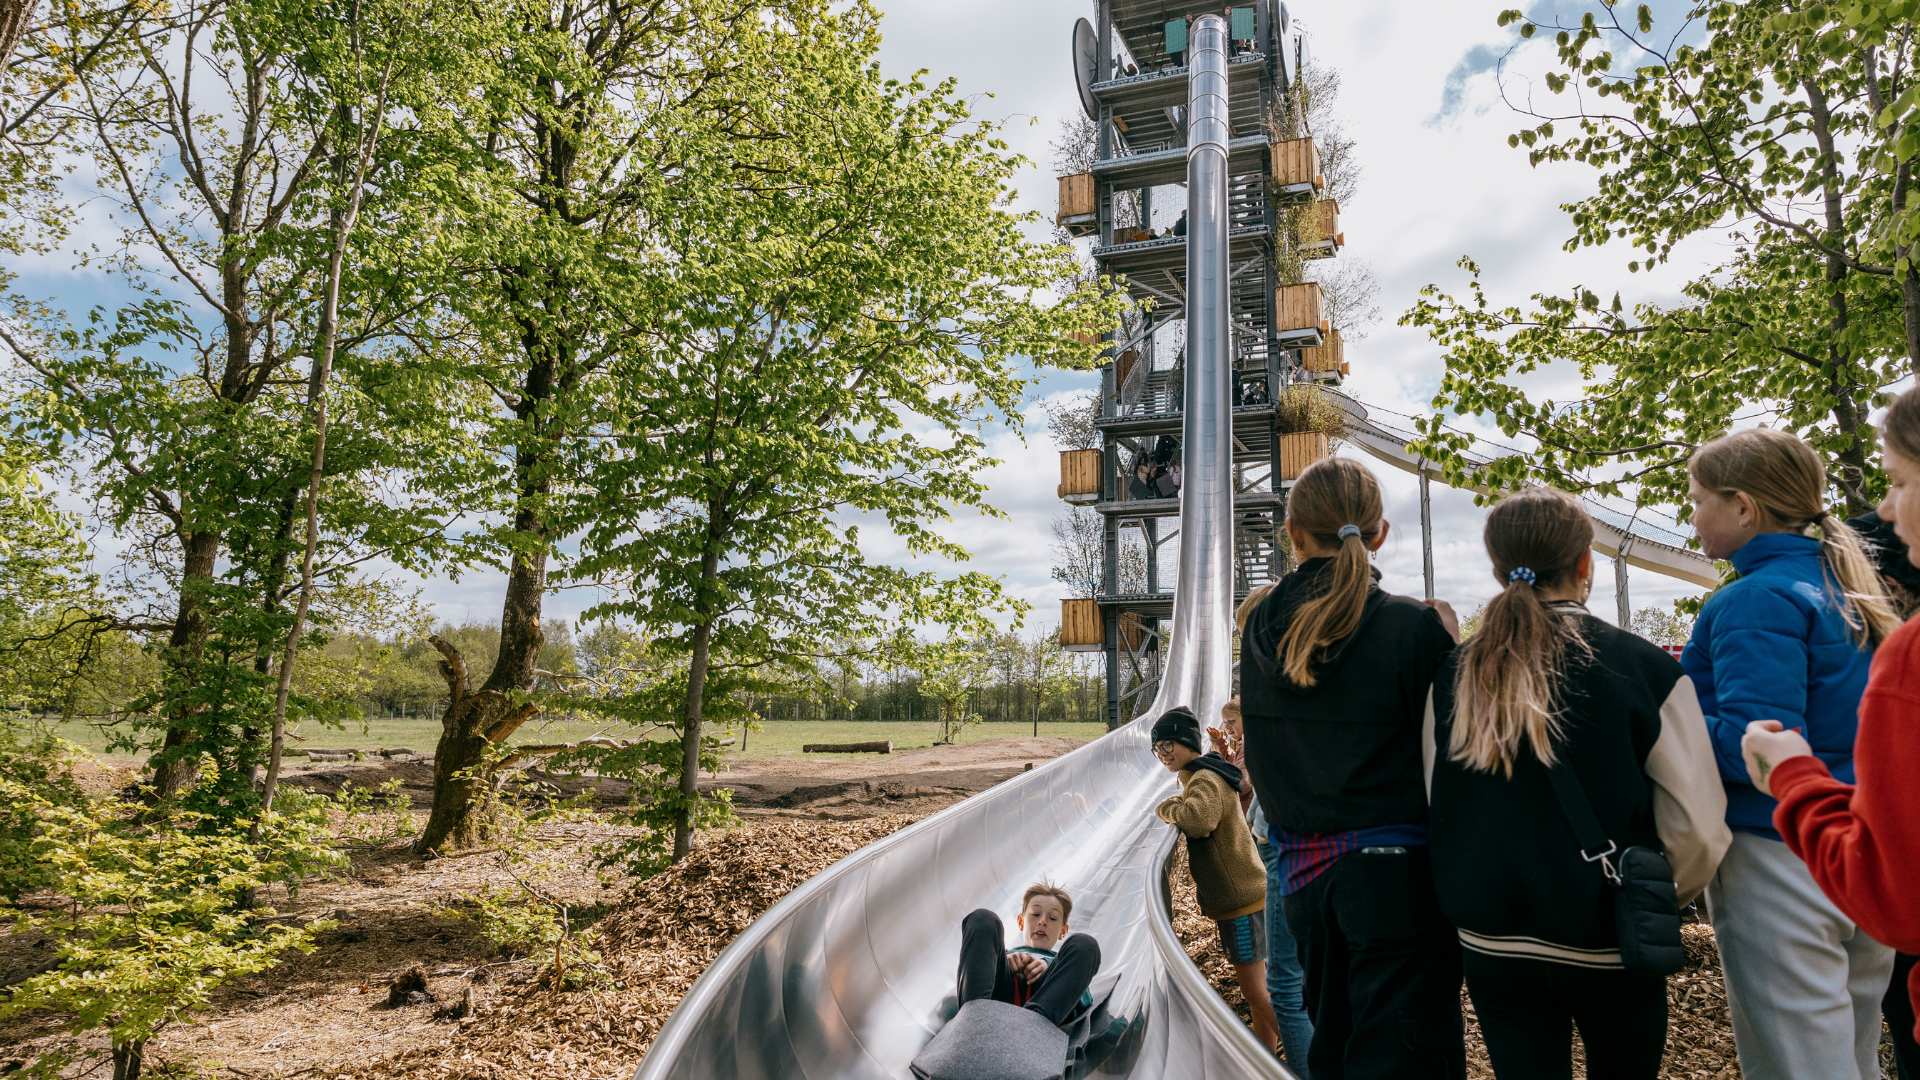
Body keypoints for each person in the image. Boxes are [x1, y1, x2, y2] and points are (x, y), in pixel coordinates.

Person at [1423, 488, 1730, 1079]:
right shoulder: (1643, 668)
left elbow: (1440, 796)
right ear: (1586, 564)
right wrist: (1656, 894)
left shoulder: (1454, 674)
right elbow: (1697, 824)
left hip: (1493, 935)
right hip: (1607, 933)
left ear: (1496, 567)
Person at [1236, 456, 1466, 1080]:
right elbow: (1455, 757)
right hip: (1397, 881)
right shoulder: (1410, 626)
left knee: (1333, 1034)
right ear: (1380, 533)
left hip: (1305, 876)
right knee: (1413, 1050)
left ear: (1292, 533)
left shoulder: (1258, 626)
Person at [1681, 427, 1900, 1080]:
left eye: (1697, 500)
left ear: (1742, 507)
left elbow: (1763, 743)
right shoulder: (1850, 587)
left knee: (1798, 1066)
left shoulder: (1752, 599)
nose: (1691, 516)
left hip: (1777, 854)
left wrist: (1672, 721)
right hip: (1856, 844)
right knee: (1854, 1057)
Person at [1742, 387, 1920, 1075]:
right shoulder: (1846, 600)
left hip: (1797, 846)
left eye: (1899, 482)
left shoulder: (1761, 599)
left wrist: (1790, 774)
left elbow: (1897, 900)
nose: (1883, 507)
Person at [1151, 706, 1284, 1054]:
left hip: (1239, 900)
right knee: (1258, 992)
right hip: (1246, 894)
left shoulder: (1205, 779)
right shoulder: (1205, 774)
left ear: (1187, 742)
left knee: (1255, 990)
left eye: (1168, 745)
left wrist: (1165, 808)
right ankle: (1266, 1059)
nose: (1163, 754)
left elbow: (1197, 820)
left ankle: (1307, 1056)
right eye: (1158, 749)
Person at [1211, 696, 1314, 1076]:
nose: (1229, 729)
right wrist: (1223, 751)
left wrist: (1214, 765)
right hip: (1263, 850)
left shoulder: (1256, 744)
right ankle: (1266, 1060)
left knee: (1271, 987)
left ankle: (1307, 1061)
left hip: (1255, 863)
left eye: (1233, 723)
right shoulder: (1241, 745)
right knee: (1272, 986)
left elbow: (1239, 786)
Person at [956, 883, 1100, 1028]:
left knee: (1085, 944)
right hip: (992, 1003)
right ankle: (973, 1019)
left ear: (1063, 931)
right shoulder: (1000, 954)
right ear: (1021, 922)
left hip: (1043, 1014)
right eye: (1035, 914)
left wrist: (1049, 966)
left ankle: (1033, 1028)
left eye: (1053, 918)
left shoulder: (1067, 962)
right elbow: (973, 965)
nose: (1042, 921)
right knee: (982, 918)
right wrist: (1000, 963)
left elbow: (1084, 998)